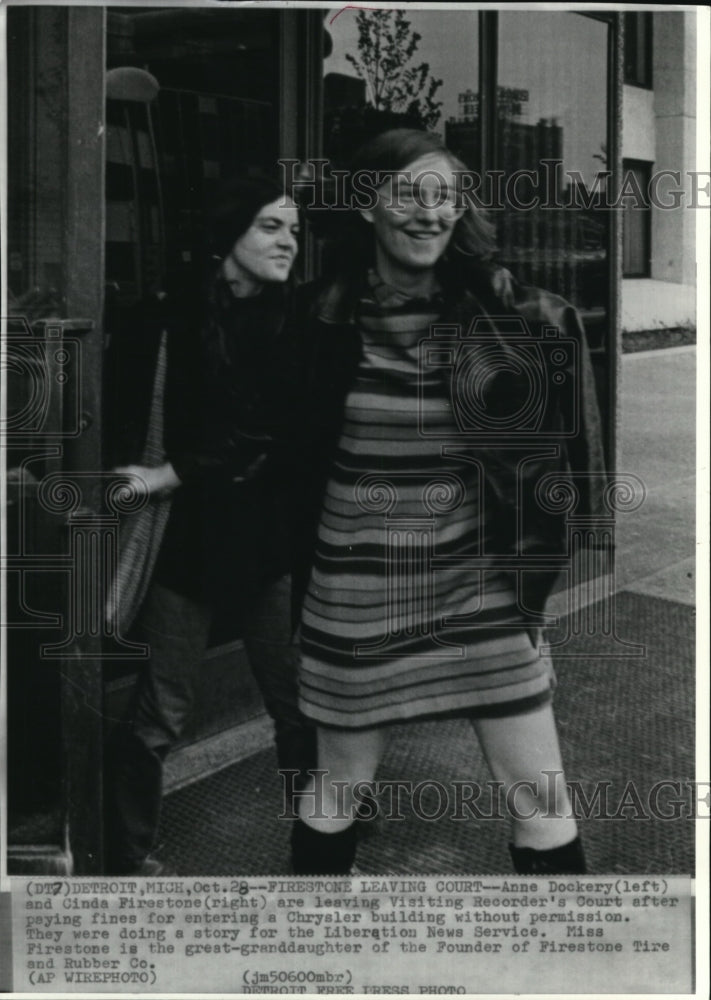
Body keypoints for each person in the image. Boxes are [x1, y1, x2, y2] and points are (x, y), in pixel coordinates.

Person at [285, 129, 606, 876]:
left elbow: (560, 469)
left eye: (446, 197)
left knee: (540, 796)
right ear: (366, 205)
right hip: (355, 593)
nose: (430, 213)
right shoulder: (312, 320)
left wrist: (531, 591)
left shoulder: (514, 317)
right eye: (407, 192)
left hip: (480, 587)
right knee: (337, 786)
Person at [104, 173, 315, 875]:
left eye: (293, 229)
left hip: (262, 539)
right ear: (229, 235)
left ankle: (321, 834)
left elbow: (270, 430)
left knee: (294, 700)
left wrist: (171, 473)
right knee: (161, 708)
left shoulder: (295, 322)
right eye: (271, 227)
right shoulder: (171, 317)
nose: (289, 240)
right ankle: (129, 854)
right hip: (184, 543)